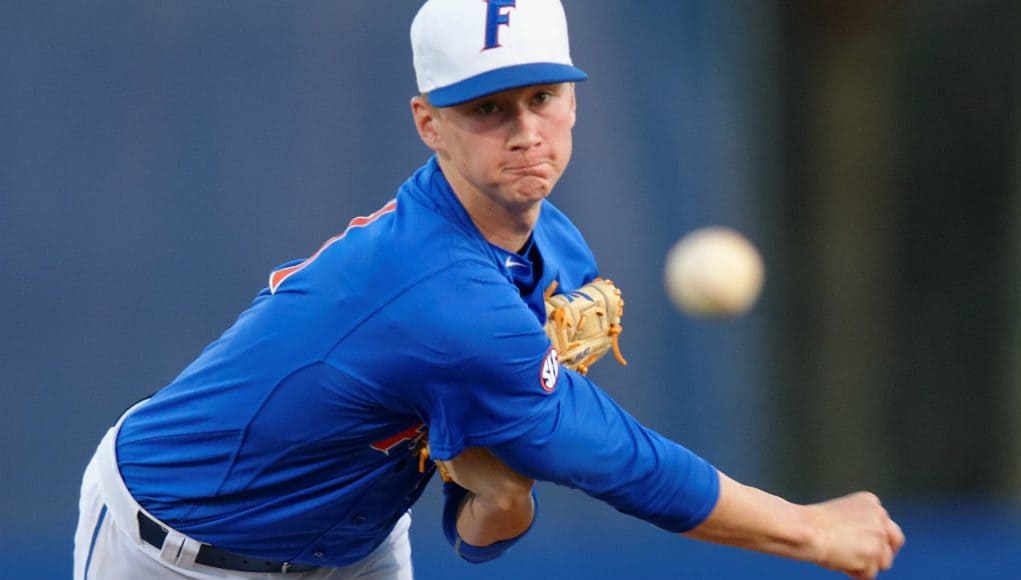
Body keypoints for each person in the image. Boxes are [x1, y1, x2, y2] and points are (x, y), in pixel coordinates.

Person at [73, 1, 905, 579]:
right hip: (174, 545)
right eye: (487, 109)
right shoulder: (441, 293)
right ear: (428, 122)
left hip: (349, 543)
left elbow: (483, 513)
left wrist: (491, 508)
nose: (525, 133)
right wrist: (808, 530)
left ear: (574, 100)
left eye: (543, 98)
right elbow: (620, 462)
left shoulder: (552, 247)